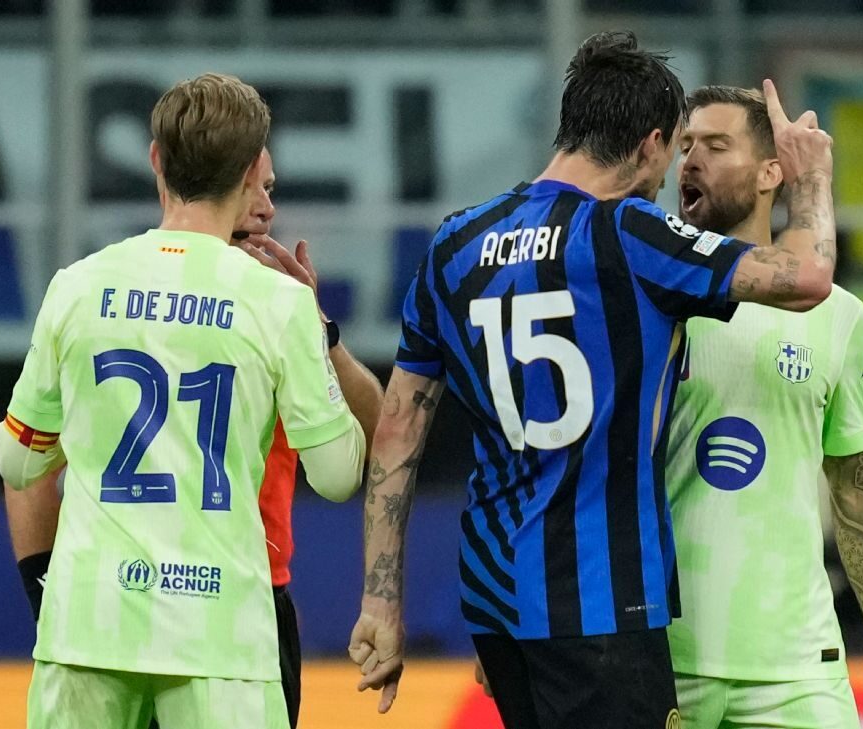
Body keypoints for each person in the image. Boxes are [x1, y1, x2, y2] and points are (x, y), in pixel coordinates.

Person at [350, 31, 837, 729]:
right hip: (604, 604)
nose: (670, 174)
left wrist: (379, 602)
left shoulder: (455, 243)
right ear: (649, 145)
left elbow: (397, 432)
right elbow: (807, 276)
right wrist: (810, 178)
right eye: (673, 152)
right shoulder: (630, 233)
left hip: (495, 603)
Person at [0, 73, 366, 729]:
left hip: (89, 621)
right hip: (219, 630)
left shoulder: (77, 287)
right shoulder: (279, 303)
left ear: (156, 161)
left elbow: (18, 462)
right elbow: (339, 475)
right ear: (249, 173)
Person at [663, 85, 863, 729]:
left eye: (717, 145)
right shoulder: (654, 294)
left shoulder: (840, 315)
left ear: (772, 173)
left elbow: (855, 487)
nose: (692, 160)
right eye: (685, 146)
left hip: (799, 662)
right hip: (667, 654)